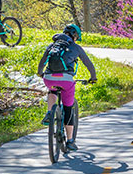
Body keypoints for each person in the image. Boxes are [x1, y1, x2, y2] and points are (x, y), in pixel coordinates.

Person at [37, 23, 97, 152]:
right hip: (66, 81)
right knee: (68, 108)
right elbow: (89, 64)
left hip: (49, 78)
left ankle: (49, 113)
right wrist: (93, 78)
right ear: (75, 36)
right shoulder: (76, 47)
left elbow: (42, 61)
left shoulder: (53, 45)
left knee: (52, 89)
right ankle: (70, 141)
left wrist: (41, 73)